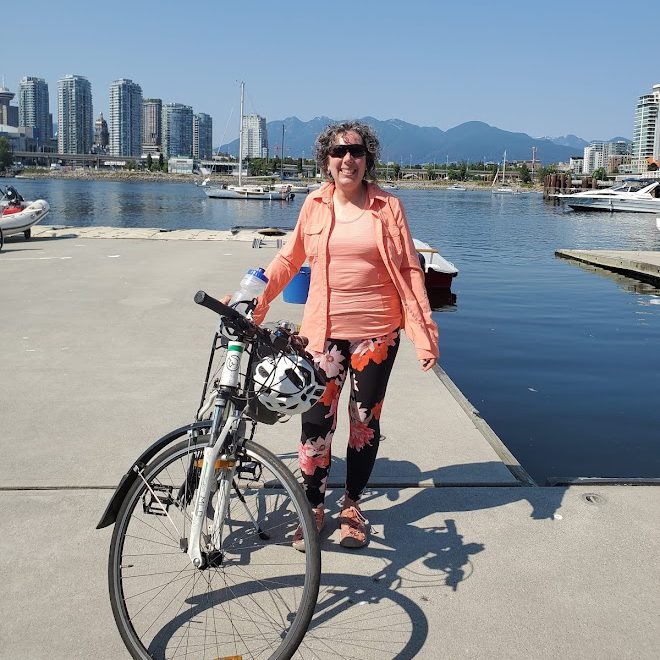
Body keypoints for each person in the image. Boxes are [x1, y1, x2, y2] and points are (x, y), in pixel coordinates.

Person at [250, 121, 439, 549]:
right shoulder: (315, 205)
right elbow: (288, 257)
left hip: (377, 334)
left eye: (355, 151)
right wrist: (256, 302)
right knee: (315, 424)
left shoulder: (388, 207)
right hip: (324, 334)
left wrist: (424, 333)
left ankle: (352, 505)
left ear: (367, 159)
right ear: (326, 162)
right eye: (338, 152)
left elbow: (410, 269)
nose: (347, 159)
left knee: (364, 423)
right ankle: (313, 507)